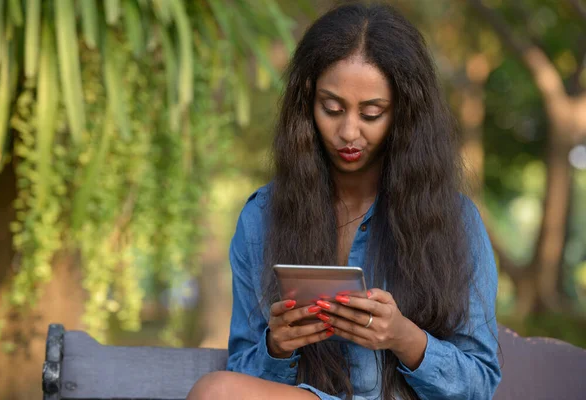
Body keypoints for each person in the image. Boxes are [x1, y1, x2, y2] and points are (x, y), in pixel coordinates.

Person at [187, 3, 501, 400]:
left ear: (404, 114)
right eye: (332, 109)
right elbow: (244, 370)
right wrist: (276, 347)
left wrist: (405, 338)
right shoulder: (262, 217)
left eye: (372, 113)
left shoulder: (455, 220)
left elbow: (481, 384)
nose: (348, 131)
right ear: (307, 101)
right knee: (217, 392)